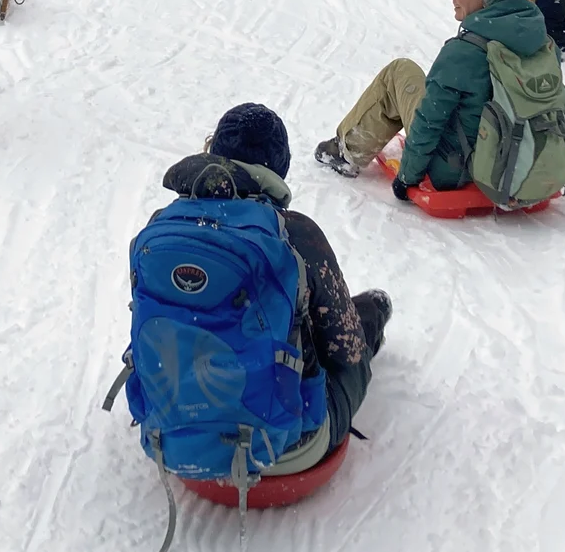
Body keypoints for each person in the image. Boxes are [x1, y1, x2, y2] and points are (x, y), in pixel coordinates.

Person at [147, 104, 391, 475]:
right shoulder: (295, 234)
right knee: (359, 335)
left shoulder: (163, 227)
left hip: (174, 436)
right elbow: (347, 349)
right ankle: (376, 309)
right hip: (286, 448)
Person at [313, 0, 552, 198]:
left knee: (400, 71)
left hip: (455, 168)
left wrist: (408, 178)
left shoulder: (464, 51)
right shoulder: (538, 41)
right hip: (515, 159)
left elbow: (429, 121)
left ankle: (346, 151)